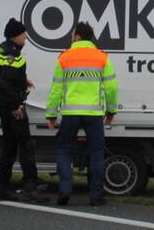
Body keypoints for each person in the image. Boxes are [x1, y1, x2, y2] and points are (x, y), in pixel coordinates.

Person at [46, 22, 118, 206]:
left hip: (70, 113)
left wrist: (51, 114)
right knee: (96, 153)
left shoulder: (64, 57)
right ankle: (95, 196)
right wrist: (111, 111)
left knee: (63, 150)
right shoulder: (102, 57)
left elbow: (56, 89)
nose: (71, 37)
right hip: (94, 114)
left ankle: (65, 189)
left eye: (72, 35)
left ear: (77, 36)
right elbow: (111, 87)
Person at [0, 18, 48, 203]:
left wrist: (23, 81)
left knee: (9, 146)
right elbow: (5, 82)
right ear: (16, 35)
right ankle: (30, 187)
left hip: (2, 103)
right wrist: (17, 104)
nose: (26, 37)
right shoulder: (13, 54)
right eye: (24, 33)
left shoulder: (2, 48)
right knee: (26, 145)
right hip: (12, 105)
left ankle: (1, 188)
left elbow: (4, 75)